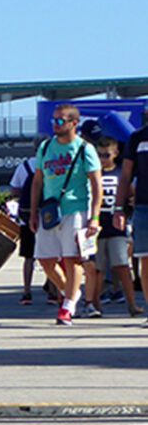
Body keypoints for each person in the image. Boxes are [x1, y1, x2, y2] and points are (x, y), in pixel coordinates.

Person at [29, 105, 102, 326]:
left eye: (60, 121)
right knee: (45, 259)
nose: (56, 125)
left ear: (73, 123)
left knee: (73, 258)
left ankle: (67, 307)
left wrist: (94, 217)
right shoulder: (45, 147)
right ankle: (69, 291)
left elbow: (96, 184)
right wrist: (33, 212)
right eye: (54, 120)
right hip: (50, 211)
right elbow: (38, 181)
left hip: (76, 209)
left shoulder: (84, 148)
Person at [83, 138, 139, 317]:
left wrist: (128, 215)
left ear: (115, 154)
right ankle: (96, 304)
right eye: (99, 155)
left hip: (117, 228)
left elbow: (131, 195)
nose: (102, 159)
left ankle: (132, 304)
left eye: (106, 155)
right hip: (97, 228)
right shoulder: (92, 173)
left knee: (122, 266)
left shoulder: (121, 173)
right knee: (97, 269)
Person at [115, 121, 148, 326]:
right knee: (146, 260)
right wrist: (119, 209)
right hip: (144, 206)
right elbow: (126, 175)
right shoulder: (137, 138)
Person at [9, 151, 40, 304]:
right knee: (53, 256)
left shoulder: (24, 166)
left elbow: (14, 189)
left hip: (26, 217)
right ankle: (54, 292)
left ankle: (27, 291)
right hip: (48, 216)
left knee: (28, 257)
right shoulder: (51, 165)